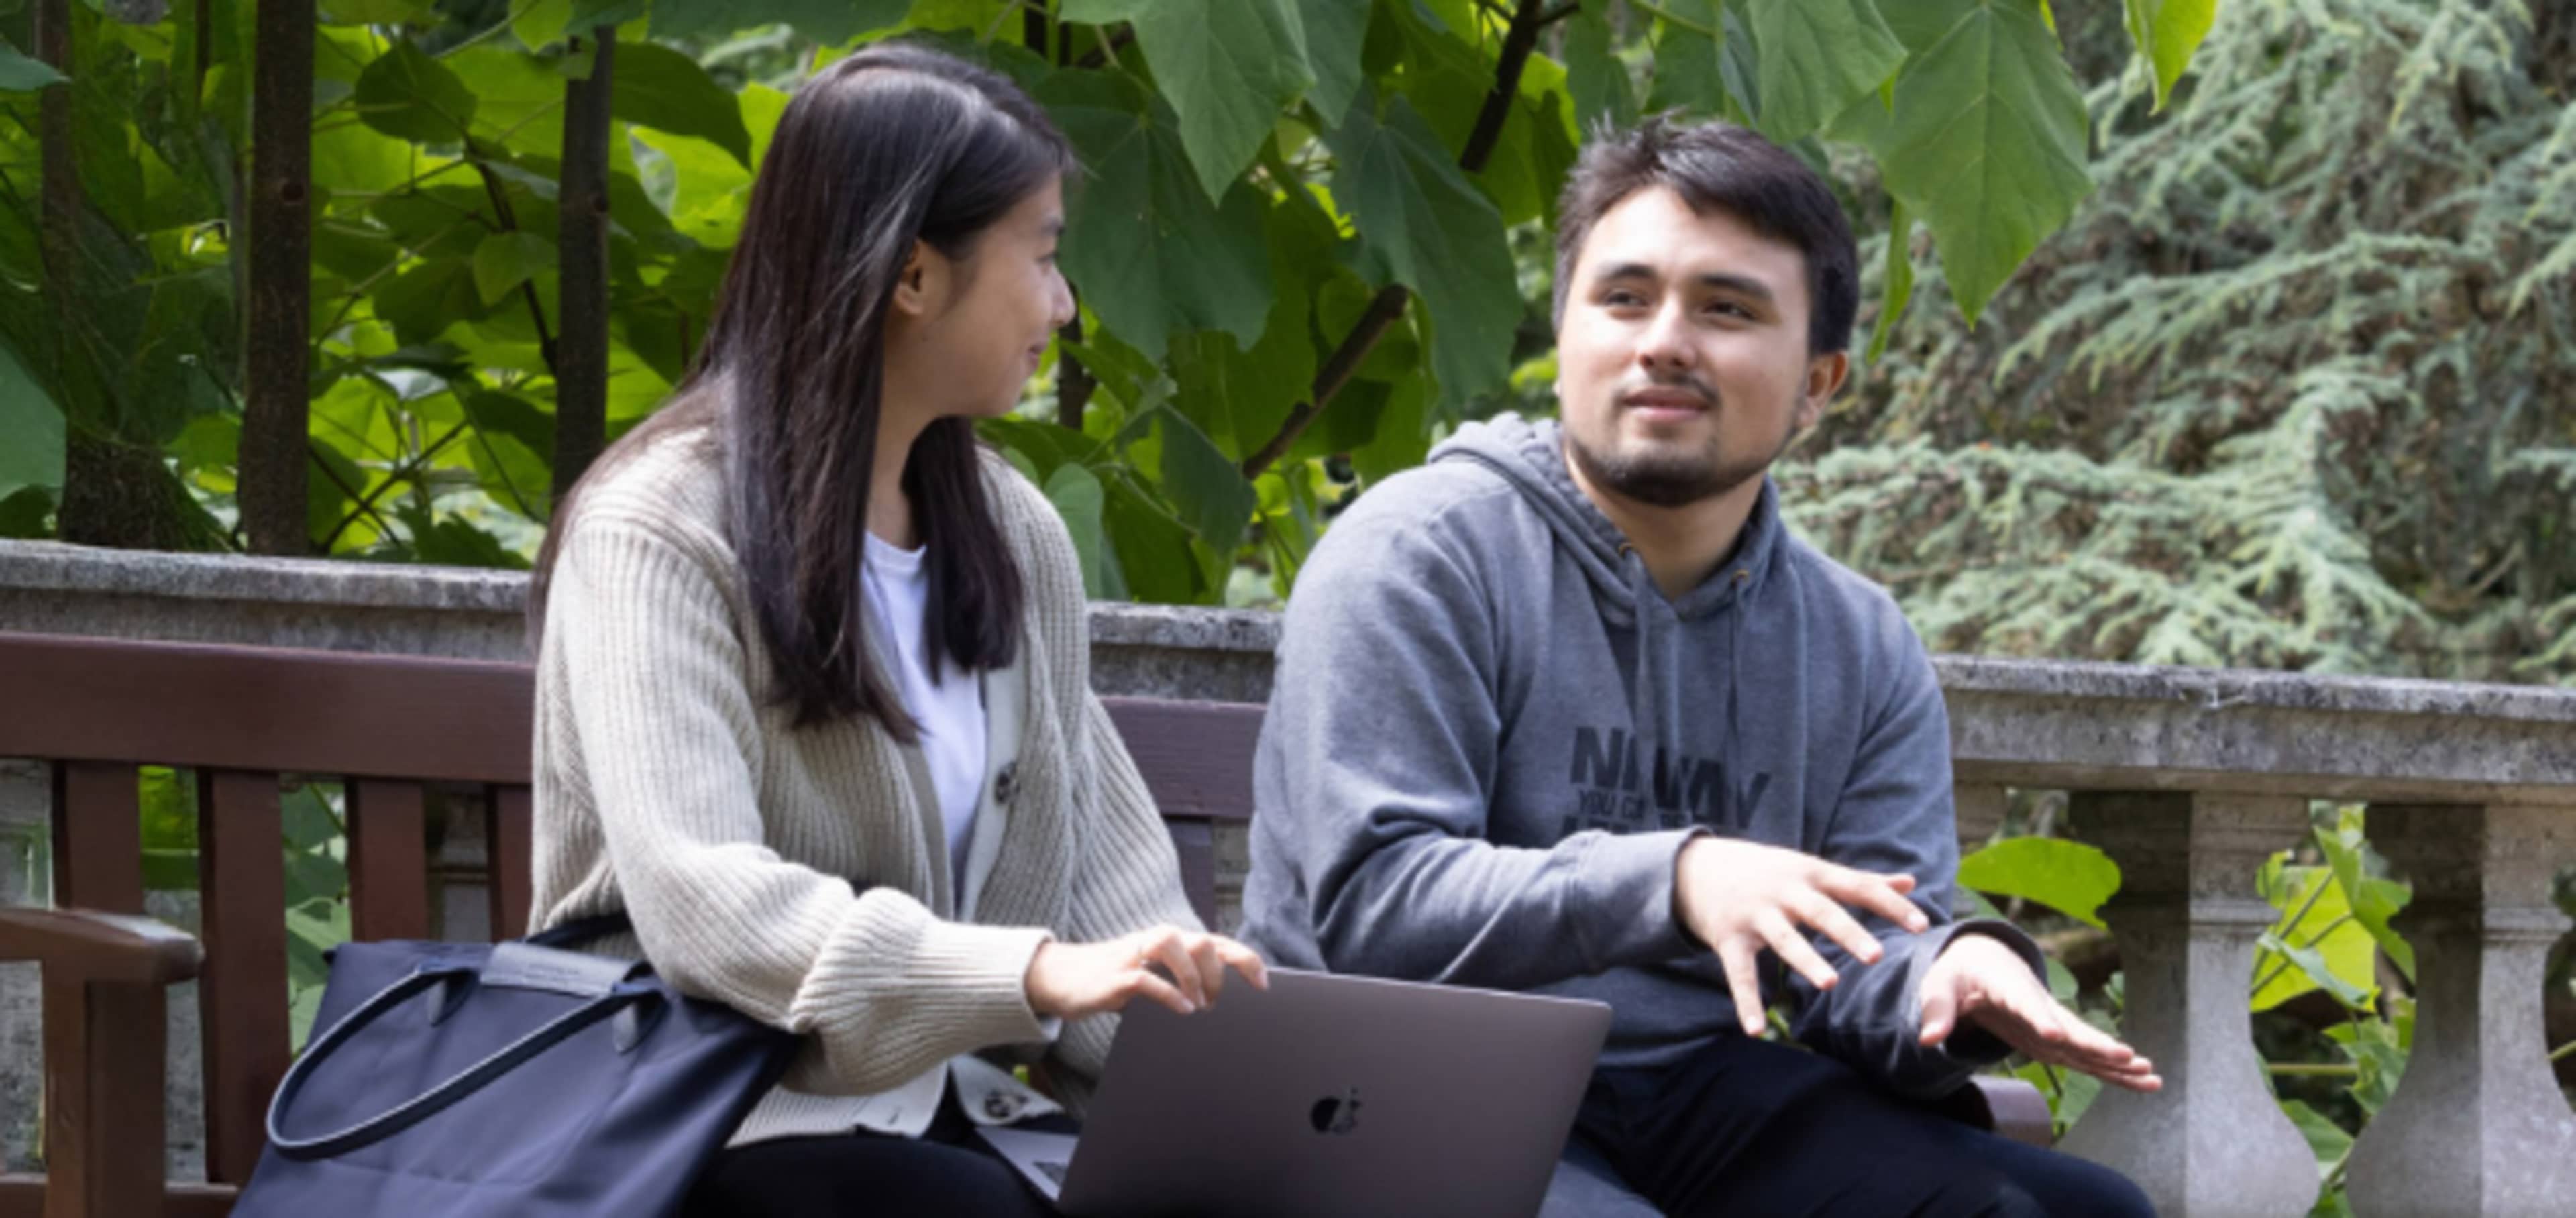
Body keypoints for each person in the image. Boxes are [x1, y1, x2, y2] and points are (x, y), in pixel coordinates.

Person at [1239, 117, 2160, 1217]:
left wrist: (1948, 975)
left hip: (1694, 1095)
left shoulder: (1855, 641)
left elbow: (1863, 949)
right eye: (1623, 299)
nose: (1664, 341)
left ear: (1819, 382)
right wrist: (1676, 879)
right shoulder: (1420, 554)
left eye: (1726, 309)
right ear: (1569, 328)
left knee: (2079, 1213)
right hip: (1388, 1083)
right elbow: (1371, 907)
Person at [523, 43, 1264, 1218]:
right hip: (706, 1124)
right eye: (1046, 253)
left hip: (955, 1129)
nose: (1066, 306)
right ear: (916, 274)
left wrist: (1250, 1107)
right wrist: (1029, 974)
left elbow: (1116, 884)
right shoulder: (658, 530)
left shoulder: (1011, 534)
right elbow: (704, 902)